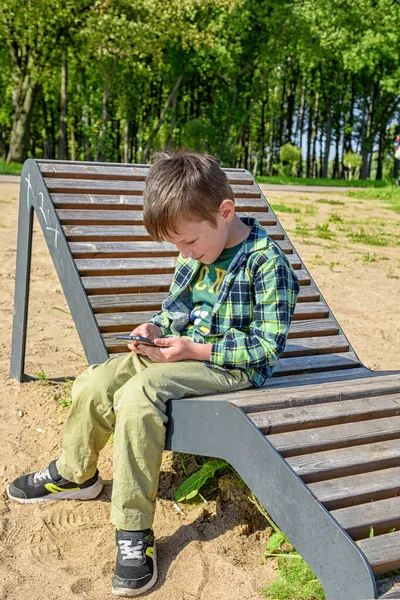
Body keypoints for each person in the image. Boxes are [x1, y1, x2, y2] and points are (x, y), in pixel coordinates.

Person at [6, 150, 300, 597]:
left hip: (230, 367)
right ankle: (76, 473)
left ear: (225, 212)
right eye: (178, 246)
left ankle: (133, 530)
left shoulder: (265, 262)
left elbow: (265, 347)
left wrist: (195, 349)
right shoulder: (198, 248)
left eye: (189, 243)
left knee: (138, 397)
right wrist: (156, 329)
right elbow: (178, 308)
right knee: (96, 381)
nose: (185, 254)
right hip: (181, 354)